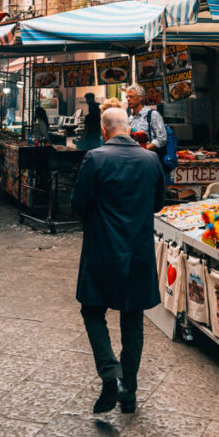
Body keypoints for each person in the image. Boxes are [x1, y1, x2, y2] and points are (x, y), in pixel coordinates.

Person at [72, 107, 165, 415]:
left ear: (104, 129)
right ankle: (130, 391)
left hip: (102, 249)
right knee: (132, 319)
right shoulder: (151, 160)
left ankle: (111, 373)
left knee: (92, 311)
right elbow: (158, 203)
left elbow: (79, 204)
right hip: (137, 252)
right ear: (128, 127)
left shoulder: (96, 158)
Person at [126, 83, 167, 159]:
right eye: (127, 97)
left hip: (150, 158)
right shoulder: (130, 118)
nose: (128, 99)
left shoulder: (153, 115)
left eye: (131, 96)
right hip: (134, 158)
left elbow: (162, 139)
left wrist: (144, 149)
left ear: (140, 98)